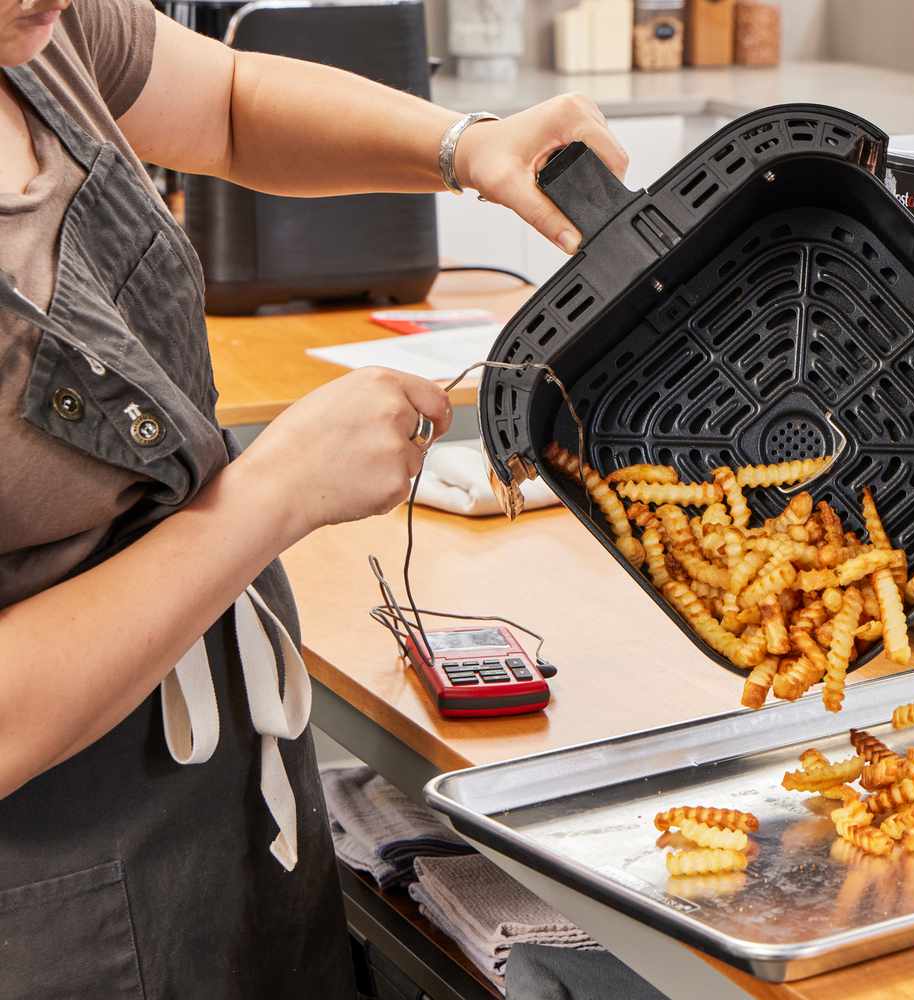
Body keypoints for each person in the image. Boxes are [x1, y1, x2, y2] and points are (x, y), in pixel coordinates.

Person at [0, 0, 627, 994]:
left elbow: (235, 105)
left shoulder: (43, 35)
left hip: (224, 802)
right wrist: (271, 497)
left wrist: (469, 146)